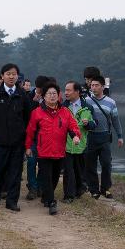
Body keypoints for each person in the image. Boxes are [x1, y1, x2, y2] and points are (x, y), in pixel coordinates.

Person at [25, 83, 81, 215]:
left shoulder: (65, 112)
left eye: (54, 93)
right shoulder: (37, 113)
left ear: (58, 95)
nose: (52, 96)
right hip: (43, 152)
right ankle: (51, 202)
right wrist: (28, 147)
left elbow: (73, 126)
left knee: (55, 177)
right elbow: (30, 131)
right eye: (49, 94)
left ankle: (45, 196)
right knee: (46, 177)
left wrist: (76, 136)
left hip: (59, 151)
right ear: (43, 96)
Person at [0, 63, 30, 212]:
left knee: (15, 172)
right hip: (0, 139)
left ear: (17, 76)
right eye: (8, 74)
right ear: (2, 76)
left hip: (18, 140)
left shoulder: (22, 94)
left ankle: (12, 201)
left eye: (14, 74)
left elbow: (27, 118)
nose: (11, 76)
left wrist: (26, 137)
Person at [85, 75, 124, 200]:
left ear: (102, 87)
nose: (94, 87)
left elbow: (115, 120)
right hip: (90, 136)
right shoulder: (86, 101)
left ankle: (105, 188)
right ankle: (94, 190)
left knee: (106, 164)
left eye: (96, 85)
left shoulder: (111, 102)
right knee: (90, 164)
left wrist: (120, 136)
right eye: (92, 85)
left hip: (105, 137)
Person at [62, 81, 96, 203]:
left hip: (81, 145)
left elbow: (94, 124)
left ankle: (78, 190)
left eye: (68, 90)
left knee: (78, 170)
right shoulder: (63, 107)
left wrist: (88, 124)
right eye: (65, 90)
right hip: (66, 145)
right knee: (68, 171)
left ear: (77, 92)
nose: (66, 93)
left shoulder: (87, 107)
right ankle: (68, 195)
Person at [25, 76, 57, 201]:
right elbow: (26, 115)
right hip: (32, 137)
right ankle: (32, 187)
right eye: (38, 89)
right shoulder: (28, 96)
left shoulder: (51, 99)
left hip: (45, 138)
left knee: (43, 164)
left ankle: (39, 186)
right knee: (31, 162)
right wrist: (33, 102)